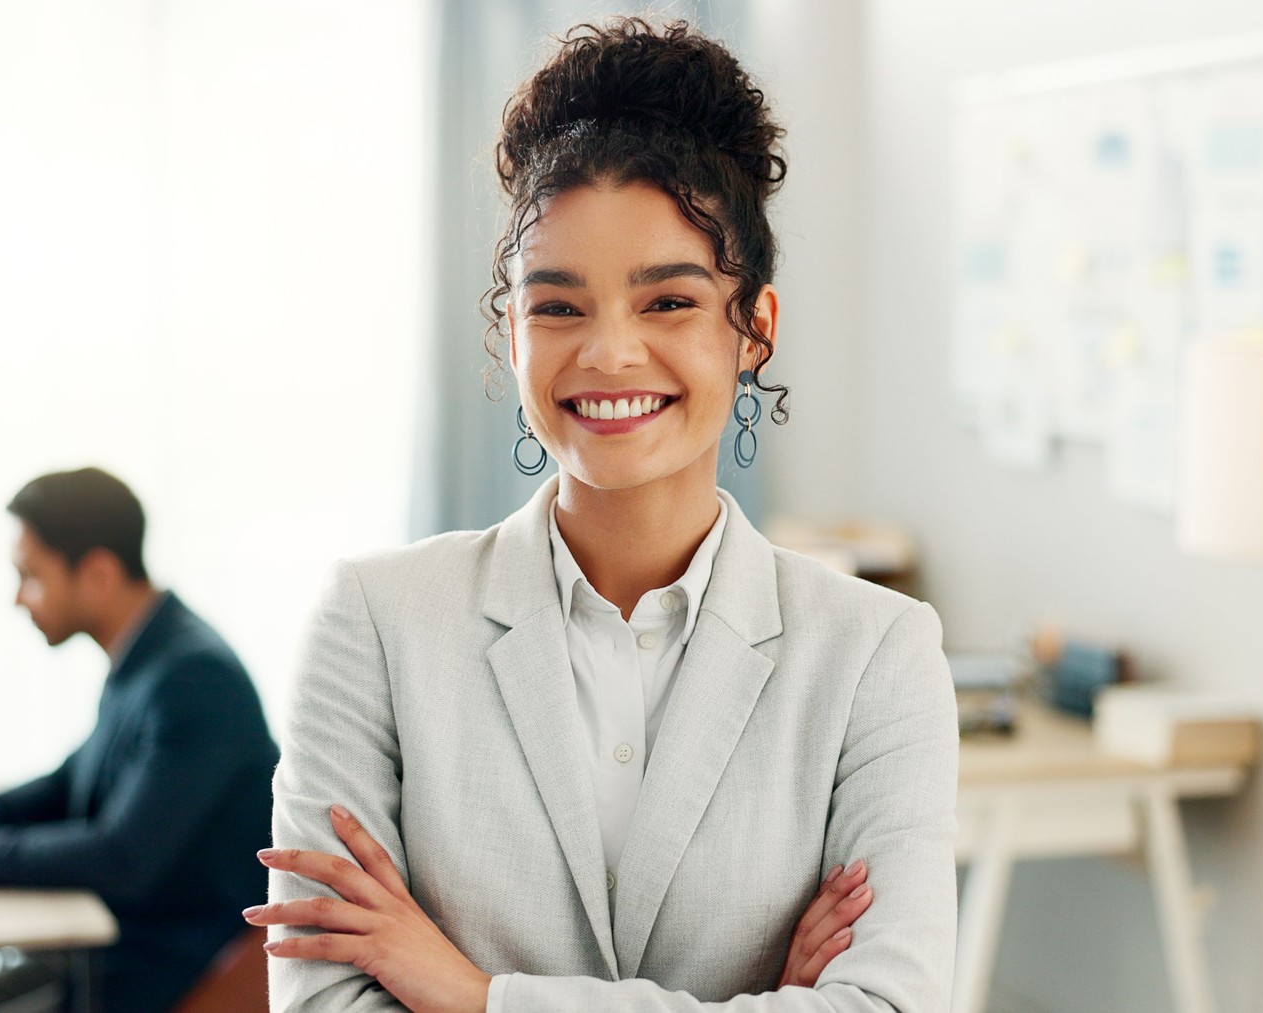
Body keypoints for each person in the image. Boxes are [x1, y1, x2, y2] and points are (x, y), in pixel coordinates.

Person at [249, 17, 958, 1012]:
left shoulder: (876, 653)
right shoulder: (374, 622)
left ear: (754, 327)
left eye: (667, 301)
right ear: (511, 329)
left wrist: (471, 993)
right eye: (559, 305)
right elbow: (324, 1001)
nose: (611, 354)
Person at [0, 467, 279, 1013]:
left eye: (32, 575)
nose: (20, 598)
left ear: (99, 574)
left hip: (175, 961)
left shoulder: (193, 678)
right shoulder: (149, 655)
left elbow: (121, 858)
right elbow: (69, 783)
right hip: (119, 945)